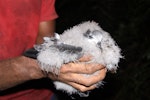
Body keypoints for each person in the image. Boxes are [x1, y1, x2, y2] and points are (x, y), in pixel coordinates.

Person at [0, 0, 107, 100]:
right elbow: (37, 63)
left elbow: (44, 41)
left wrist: (65, 55)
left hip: (45, 93)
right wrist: (37, 66)